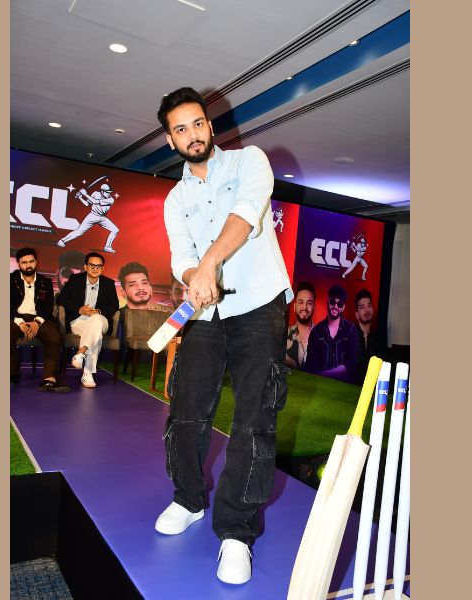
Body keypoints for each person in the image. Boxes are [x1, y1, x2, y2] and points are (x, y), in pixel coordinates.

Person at [153, 87, 292, 585]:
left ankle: (236, 531)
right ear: (170, 140)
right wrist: (195, 275)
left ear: (210, 126)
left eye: (197, 123)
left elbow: (247, 214)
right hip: (205, 313)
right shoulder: (174, 199)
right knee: (186, 410)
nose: (192, 134)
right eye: (180, 129)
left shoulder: (250, 161)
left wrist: (209, 262)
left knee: (255, 419)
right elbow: (180, 254)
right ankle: (189, 499)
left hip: (259, 305)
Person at [11, 247, 71, 392]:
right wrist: (20, 323)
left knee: (54, 337)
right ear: (19, 264)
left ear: (36, 262)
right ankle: (12, 373)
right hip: (15, 317)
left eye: (31, 261)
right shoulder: (10, 280)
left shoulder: (46, 282)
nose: (28, 265)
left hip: (38, 318)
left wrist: (37, 322)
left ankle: (49, 379)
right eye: (24, 262)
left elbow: (48, 306)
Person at [56, 252, 119, 388]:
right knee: (96, 335)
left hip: (101, 320)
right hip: (79, 321)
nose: (95, 269)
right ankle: (88, 373)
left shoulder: (108, 283)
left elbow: (114, 305)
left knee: (96, 320)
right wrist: (79, 309)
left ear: (103, 268)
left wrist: (99, 311)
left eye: (99, 266)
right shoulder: (75, 279)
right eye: (92, 265)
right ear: (85, 267)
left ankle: (81, 352)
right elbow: (61, 299)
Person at [304, 285, 360, 383]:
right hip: (319, 385)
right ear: (328, 302)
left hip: (344, 386)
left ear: (343, 308)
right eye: (333, 302)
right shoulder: (316, 332)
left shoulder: (351, 330)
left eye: (340, 304)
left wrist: (324, 375)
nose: (335, 306)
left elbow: (351, 366)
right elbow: (311, 368)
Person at [56, 181, 120, 252]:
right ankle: (62, 241)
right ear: (102, 191)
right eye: (107, 192)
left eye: (109, 192)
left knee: (115, 230)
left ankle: (107, 247)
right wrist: (80, 197)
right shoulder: (95, 193)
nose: (109, 194)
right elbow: (87, 204)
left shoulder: (111, 200)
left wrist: (85, 194)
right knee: (79, 231)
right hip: (93, 215)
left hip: (103, 218)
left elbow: (95, 202)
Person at [353, 288, 383, 383]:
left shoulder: (379, 340)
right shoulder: (349, 339)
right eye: (362, 307)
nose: (366, 310)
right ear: (357, 314)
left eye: (369, 306)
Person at [285, 281, 316, 370]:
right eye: (301, 302)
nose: (305, 307)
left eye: (309, 303)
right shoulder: (284, 336)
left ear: (314, 307)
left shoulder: (323, 337)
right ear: (294, 306)